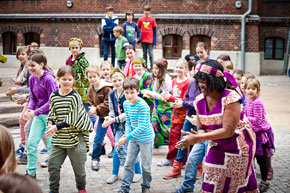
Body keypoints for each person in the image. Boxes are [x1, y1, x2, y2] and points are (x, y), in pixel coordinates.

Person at [176, 60, 259, 192]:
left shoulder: (231, 98)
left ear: (215, 81)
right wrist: (197, 135)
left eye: (205, 81)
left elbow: (228, 131)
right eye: (199, 81)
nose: (201, 85)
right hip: (216, 145)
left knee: (236, 186)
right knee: (210, 181)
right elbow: (202, 128)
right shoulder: (199, 101)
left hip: (239, 147)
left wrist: (197, 139)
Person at [45, 66, 93, 193]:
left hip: (76, 137)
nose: (66, 82)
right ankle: (53, 190)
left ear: (74, 81)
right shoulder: (53, 96)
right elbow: (52, 112)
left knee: (79, 168)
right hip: (59, 137)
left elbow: (73, 118)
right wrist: (51, 122)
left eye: (69, 79)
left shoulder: (75, 96)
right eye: (63, 79)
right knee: (53, 165)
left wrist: (56, 126)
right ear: (57, 79)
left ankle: (81, 188)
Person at [102, 68, 142, 184]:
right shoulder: (111, 94)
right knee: (116, 148)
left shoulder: (128, 94)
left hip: (130, 124)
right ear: (111, 81)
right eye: (115, 81)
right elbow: (111, 110)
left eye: (120, 80)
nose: (117, 83)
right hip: (117, 126)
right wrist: (109, 117)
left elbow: (128, 113)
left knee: (132, 148)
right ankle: (114, 173)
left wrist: (113, 119)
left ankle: (138, 172)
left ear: (123, 80)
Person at [163, 62, 202, 180]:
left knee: (197, 144)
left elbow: (199, 102)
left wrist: (183, 103)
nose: (198, 72)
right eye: (196, 69)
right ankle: (176, 169)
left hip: (199, 119)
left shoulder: (206, 85)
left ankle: (198, 168)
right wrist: (171, 98)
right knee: (182, 142)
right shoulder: (192, 83)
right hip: (189, 117)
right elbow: (187, 99)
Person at [116, 77, 154, 193]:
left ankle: (146, 186)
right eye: (126, 92)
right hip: (133, 139)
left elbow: (141, 126)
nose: (129, 95)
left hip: (146, 139)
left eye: (132, 92)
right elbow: (128, 121)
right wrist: (127, 135)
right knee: (128, 164)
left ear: (138, 91)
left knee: (146, 167)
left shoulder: (143, 106)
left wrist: (127, 137)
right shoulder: (126, 104)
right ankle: (124, 188)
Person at [24, 53, 58, 179]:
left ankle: (54, 174)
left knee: (51, 147)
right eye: (29, 66)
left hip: (51, 117)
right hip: (38, 115)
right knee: (31, 144)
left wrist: (35, 112)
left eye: (33, 65)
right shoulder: (32, 78)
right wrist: (29, 110)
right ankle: (31, 172)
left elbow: (53, 101)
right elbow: (33, 98)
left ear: (42, 65)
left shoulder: (49, 79)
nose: (30, 68)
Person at [244, 78, 275, 192]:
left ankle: (264, 181)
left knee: (261, 160)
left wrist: (245, 119)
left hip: (261, 134)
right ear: (245, 89)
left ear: (258, 90)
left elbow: (257, 120)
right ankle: (249, 181)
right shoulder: (247, 100)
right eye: (248, 88)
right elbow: (246, 113)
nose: (250, 91)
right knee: (251, 157)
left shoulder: (257, 102)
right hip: (253, 132)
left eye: (253, 88)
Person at [158, 59, 190, 167]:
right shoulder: (174, 81)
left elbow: (184, 99)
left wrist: (171, 98)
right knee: (172, 137)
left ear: (186, 69)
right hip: (174, 114)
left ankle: (181, 160)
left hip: (183, 115)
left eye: (181, 67)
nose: (178, 69)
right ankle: (171, 158)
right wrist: (166, 97)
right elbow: (173, 96)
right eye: (177, 67)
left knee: (181, 137)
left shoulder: (187, 82)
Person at [86, 65, 113, 171]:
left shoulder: (107, 87)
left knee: (119, 137)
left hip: (114, 115)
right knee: (98, 138)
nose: (92, 79)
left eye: (94, 76)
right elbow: (90, 101)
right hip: (103, 117)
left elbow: (108, 103)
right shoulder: (91, 88)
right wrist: (92, 107)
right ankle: (95, 159)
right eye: (90, 77)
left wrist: (96, 109)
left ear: (99, 75)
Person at [141, 58, 172, 147]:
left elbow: (164, 97)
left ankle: (170, 142)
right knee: (154, 124)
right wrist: (149, 94)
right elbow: (155, 92)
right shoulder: (155, 78)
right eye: (153, 68)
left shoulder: (166, 79)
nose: (154, 70)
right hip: (156, 106)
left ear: (162, 69)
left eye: (157, 68)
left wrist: (150, 93)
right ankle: (157, 142)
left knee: (166, 128)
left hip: (165, 107)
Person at [65, 38, 96, 125]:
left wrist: (89, 87)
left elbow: (88, 74)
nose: (74, 50)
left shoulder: (83, 61)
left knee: (88, 111)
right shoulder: (68, 61)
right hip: (73, 89)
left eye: (76, 48)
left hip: (84, 90)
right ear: (70, 48)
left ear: (80, 48)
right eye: (72, 48)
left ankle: (97, 127)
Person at [6, 47, 30, 157]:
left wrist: (17, 91)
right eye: (19, 54)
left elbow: (31, 87)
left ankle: (27, 148)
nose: (20, 56)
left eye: (23, 54)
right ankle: (24, 145)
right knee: (24, 121)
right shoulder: (23, 67)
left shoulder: (29, 67)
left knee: (25, 121)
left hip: (34, 98)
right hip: (30, 97)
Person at [98, 61, 115, 158]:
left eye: (108, 69)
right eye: (103, 70)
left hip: (111, 111)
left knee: (110, 130)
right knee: (96, 127)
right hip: (103, 110)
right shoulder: (101, 82)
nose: (106, 71)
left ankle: (114, 147)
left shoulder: (113, 81)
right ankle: (101, 147)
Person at [137, 5, 157, 70]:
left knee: (151, 53)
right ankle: (145, 67)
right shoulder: (140, 19)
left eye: (148, 11)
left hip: (150, 39)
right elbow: (138, 29)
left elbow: (154, 30)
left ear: (150, 11)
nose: (146, 12)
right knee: (144, 54)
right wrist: (138, 38)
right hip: (143, 39)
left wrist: (154, 40)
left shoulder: (152, 19)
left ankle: (152, 67)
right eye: (145, 11)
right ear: (143, 11)